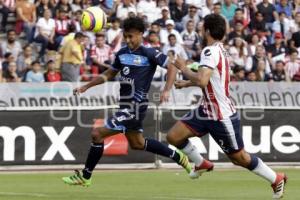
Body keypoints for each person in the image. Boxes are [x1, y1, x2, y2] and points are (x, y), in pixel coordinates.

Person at [167, 14, 287, 199]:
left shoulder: (210, 51)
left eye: (201, 28)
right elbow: (212, 80)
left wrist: (183, 69)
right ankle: (201, 163)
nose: (200, 30)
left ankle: (275, 178)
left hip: (221, 116)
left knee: (239, 158)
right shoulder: (220, 50)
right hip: (205, 111)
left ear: (207, 30)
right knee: (173, 136)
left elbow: (202, 79)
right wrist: (187, 84)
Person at [62, 17, 191, 186]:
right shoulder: (122, 54)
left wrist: (166, 90)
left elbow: (173, 66)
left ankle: (85, 176)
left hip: (136, 106)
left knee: (97, 133)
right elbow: (109, 74)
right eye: (126, 36)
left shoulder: (150, 53)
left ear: (141, 35)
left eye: (131, 36)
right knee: (137, 143)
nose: (128, 40)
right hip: (124, 105)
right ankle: (179, 157)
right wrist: (86, 86)